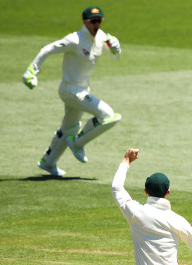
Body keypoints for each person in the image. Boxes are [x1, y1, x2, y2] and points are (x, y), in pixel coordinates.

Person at [23, 6, 123, 176]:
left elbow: (115, 56)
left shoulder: (101, 36)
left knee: (69, 128)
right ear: (85, 22)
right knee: (109, 116)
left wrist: (116, 48)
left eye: (99, 20)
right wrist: (32, 71)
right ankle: (77, 143)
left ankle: (47, 162)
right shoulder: (74, 39)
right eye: (93, 21)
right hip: (70, 91)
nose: (97, 24)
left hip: (82, 90)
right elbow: (48, 49)